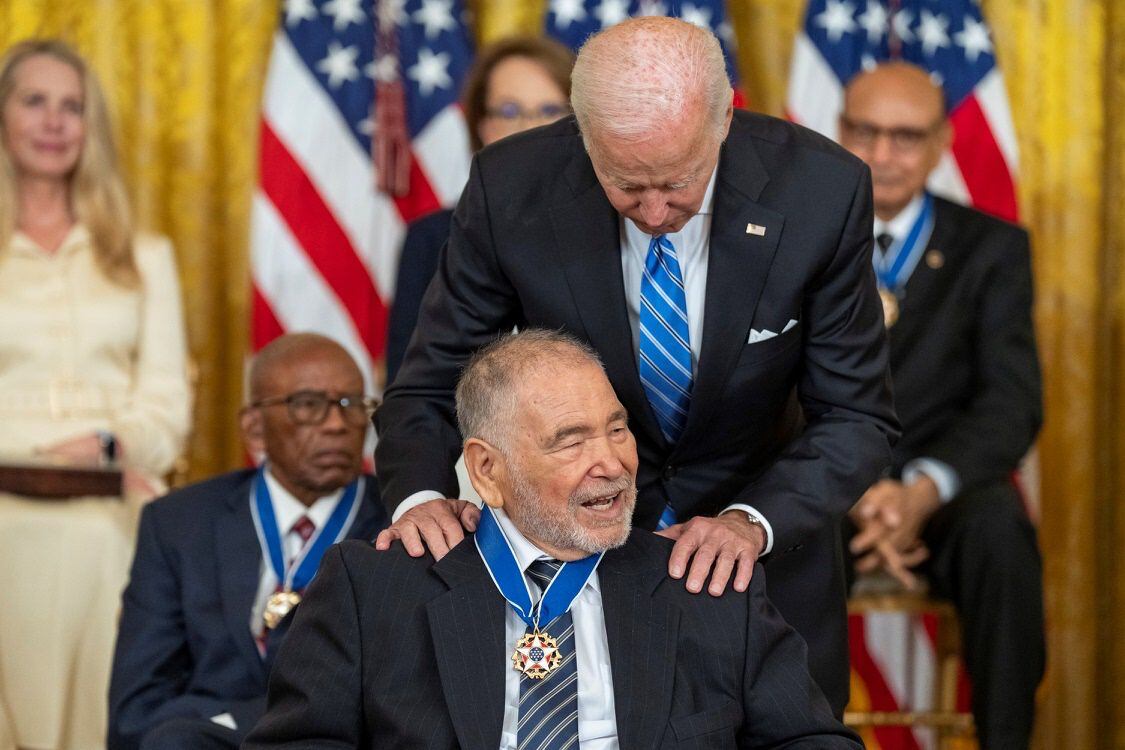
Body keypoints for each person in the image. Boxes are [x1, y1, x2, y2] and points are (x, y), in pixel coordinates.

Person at [373, 16, 898, 714]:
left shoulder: (821, 190)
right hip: (571, 563)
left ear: (723, 121)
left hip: (767, 562)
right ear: (584, 136)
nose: (653, 211)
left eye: (677, 182)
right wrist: (419, 499)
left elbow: (856, 416)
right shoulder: (511, 184)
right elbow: (431, 383)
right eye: (625, 184)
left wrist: (749, 522)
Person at [244, 329, 862, 749]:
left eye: (617, 430)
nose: (612, 464)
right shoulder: (373, 587)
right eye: (571, 441)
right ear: (487, 470)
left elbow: (812, 741)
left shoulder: (705, 585)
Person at [837, 62, 1044, 749]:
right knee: (781, 535)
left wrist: (920, 492)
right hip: (830, 480)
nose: (882, 153)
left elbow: (1012, 402)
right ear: (838, 132)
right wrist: (854, 486)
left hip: (945, 487)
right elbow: (772, 390)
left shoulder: (993, 248)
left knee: (1002, 537)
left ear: (940, 143)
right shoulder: (792, 240)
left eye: (905, 136)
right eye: (864, 132)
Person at [0, 39, 191, 750]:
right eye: (35, 101)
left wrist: (110, 445)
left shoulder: (144, 255)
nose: (54, 122)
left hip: (110, 496)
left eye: (72, 106)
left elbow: (167, 408)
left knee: (105, 551)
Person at [107, 333, 388, 750]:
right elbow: (135, 713)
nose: (336, 424)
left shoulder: (398, 525)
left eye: (351, 404)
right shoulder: (179, 524)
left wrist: (228, 722)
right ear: (254, 429)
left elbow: (400, 708)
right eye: (308, 404)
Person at [385, 35, 574, 382]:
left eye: (550, 111)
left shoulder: (605, 228)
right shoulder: (431, 239)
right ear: (481, 125)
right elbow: (413, 384)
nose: (529, 127)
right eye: (509, 111)